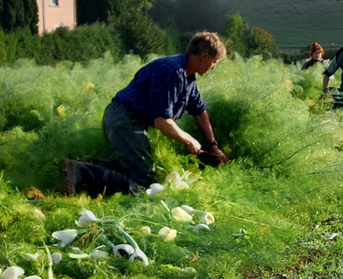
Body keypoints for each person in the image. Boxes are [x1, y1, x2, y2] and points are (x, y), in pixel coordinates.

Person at [60, 32, 230, 197]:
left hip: (126, 119)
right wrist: (188, 139)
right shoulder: (173, 72)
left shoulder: (188, 78)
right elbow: (162, 121)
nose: (213, 67)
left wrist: (213, 145)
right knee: (144, 184)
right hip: (125, 119)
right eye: (214, 62)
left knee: (136, 171)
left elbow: (200, 111)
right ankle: (78, 171)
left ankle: (93, 166)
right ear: (205, 56)